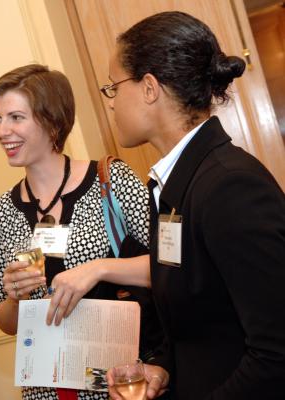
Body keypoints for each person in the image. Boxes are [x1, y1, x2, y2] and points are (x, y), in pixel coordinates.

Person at [101, 11, 285, 400]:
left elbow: (276, 354)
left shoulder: (230, 186)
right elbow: (203, 322)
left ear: (149, 88)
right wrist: (165, 368)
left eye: (113, 87)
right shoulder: (175, 184)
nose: (111, 104)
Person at [0, 64, 158, 400]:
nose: (2, 130)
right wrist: (14, 297)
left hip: (118, 384)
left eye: (16, 117)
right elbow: (7, 323)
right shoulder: (0, 214)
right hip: (45, 388)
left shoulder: (112, 181)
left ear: (52, 120)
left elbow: (169, 269)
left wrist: (98, 269)